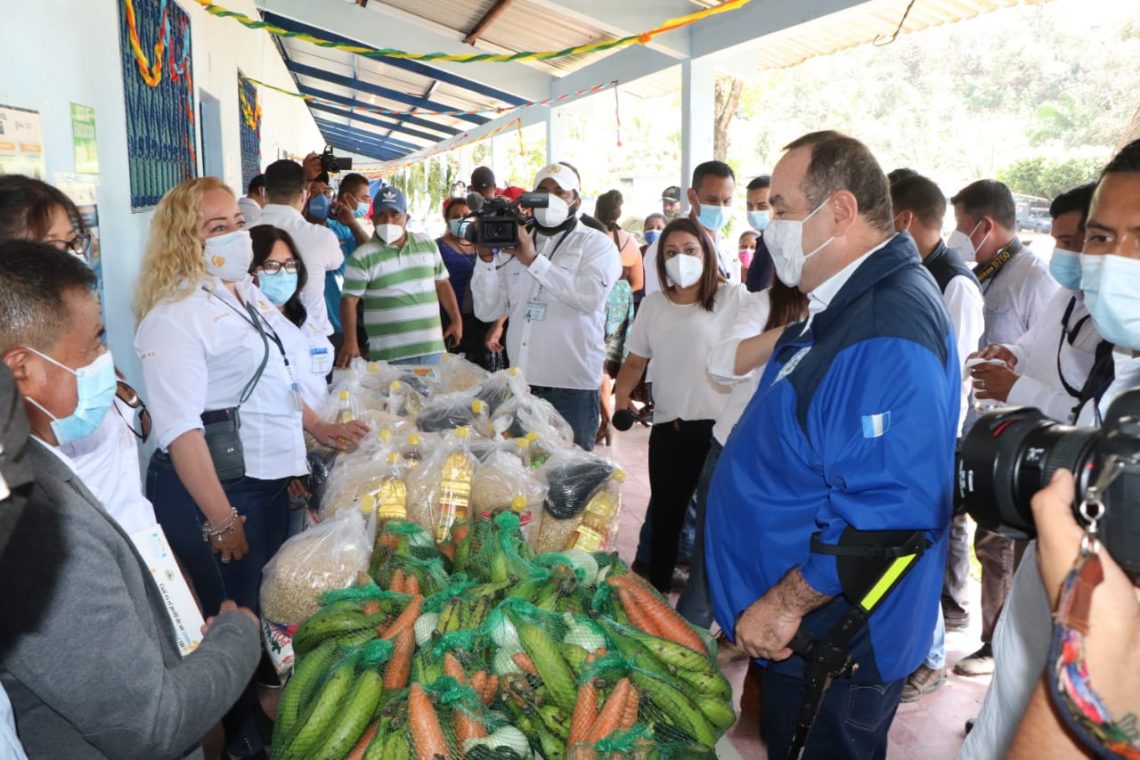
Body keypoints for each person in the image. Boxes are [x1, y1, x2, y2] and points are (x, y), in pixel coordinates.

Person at [705, 131, 959, 759]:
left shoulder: (883, 327)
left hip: (833, 639)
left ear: (840, 211)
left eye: (782, 209)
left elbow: (891, 510)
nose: (770, 227)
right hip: (807, 633)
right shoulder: (848, 303)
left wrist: (784, 604)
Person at [134, 177, 367, 759]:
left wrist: (317, 428)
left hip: (261, 485)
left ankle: (261, 716)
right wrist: (220, 518)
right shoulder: (175, 317)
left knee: (259, 610)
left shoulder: (240, 292)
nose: (236, 236)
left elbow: (277, 377)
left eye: (237, 223)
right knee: (229, 622)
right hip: (214, 493)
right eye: (217, 228)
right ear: (185, 240)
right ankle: (238, 740)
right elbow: (181, 430)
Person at [0, 241, 262, 759]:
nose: (106, 360)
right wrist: (238, 637)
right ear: (23, 370)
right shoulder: (40, 530)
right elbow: (149, 726)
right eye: (94, 344)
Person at [961, 139, 1140, 760]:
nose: (1115, 260)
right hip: (1026, 681)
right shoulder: (1120, 368)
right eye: (1101, 237)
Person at [0, 175, 156, 535]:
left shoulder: (77, 354)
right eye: (54, 246)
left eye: (74, 242)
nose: (73, 258)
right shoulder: (27, 392)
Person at [951, 178, 1061, 678]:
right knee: (977, 535)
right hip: (981, 424)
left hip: (1017, 433)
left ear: (985, 225)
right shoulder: (986, 272)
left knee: (1000, 543)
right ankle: (970, 620)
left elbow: (1051, 363)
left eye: (961, 226)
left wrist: (1013, 378)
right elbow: (1024, 345)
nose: (957, 235)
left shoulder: (1034, 278)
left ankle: (997, 646)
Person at [889, 173, 986, 701]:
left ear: (903, 219)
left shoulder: (955, 284)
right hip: (909, 436)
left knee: (925, 548)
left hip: (936, 442)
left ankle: (930, 661)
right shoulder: (915, 271)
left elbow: (953, 376)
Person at [613, 217, 747, 591]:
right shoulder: (654, 305)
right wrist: (621, 400)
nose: (681, 259)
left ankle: (710, 601)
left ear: (707, 253)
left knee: (715, 521)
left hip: (721, 431)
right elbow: (635, 362)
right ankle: (655, 596)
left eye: (690, 250)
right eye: (671, 252)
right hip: (670, 427)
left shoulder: (734, 298)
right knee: (666, 518)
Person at [676, 277, 807, 630]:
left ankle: (740, 642)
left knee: (777, 575)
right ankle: (682, 654)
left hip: (796, 468)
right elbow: (722, 364)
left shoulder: (854, 306)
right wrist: (799, 330)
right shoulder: (766, 303)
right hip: (735, 455)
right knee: (708, 574)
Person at [471, 162, 621, 450]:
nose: (550, 198)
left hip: (571, 389)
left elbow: (589, 298)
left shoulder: (596, 245)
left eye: (560, 192)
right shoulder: (515, 241)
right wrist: (485, 259)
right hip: (522, 387)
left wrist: (533, 261)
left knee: (570, 473)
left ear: (576, 200)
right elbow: (487, 310)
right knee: (523, 469)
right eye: (542, 191)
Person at [968, 183, 1102, 423]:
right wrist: (1010, 353)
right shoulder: (1066, 295)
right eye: (1058, 242)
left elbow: (1099, 418)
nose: (1060, 252)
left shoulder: (1119, 323)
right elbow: (1033, 346)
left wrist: (1018, 390)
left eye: (1069, 242)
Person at [336, 186, 461, 367]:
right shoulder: (362, 256)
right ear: (373, 219)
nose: (388, 221)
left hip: (431, 350)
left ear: (406, 217)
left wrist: (456, 319)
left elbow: (442, 283)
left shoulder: (427, 244)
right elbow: (349, 301)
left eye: (395, 214)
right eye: (381, 215)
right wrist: (350, 341)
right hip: (388, 358)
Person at [248, 225, 333, 410]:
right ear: (251, 271)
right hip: (285, 422)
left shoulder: (302, 312)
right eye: (271, 266)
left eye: (290, 264)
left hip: (323, 417)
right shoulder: (247, 322)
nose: (284, 273)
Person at [257, 159, 344, 337]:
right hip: (313, 337)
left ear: (263, 193)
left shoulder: (245, 234)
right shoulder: (322, 236)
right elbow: (336, 263)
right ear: (305, 196)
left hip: (261, 335)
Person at [594, 190, 644, 446]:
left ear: (596, 211)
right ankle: (607, 416)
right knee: (609, 362)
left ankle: (605, 419)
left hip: (598, 301)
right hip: (621, 304)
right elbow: (638, 282)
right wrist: (619, 293)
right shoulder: (629, 242)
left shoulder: (592, 238)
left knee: (598, 362)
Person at [644, 162, 739, 294]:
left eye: (727, 201)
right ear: (692, 197)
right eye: (712, 200)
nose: (720, 208)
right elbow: (657, 301)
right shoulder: (666, 248)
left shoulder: (723, 246)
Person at [437, 196, 504, 371]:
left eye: (466, 215)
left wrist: (498, 325)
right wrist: (455, 320)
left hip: (486, 320)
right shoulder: (438, 247)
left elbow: (505, 287)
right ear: (447, 220)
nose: (462, 220)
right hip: (452, 321)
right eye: (455, 216)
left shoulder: (489, 247)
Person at [323, 173, 372, 342]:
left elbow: (371, 253)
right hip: (330, 318)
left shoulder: (349, 228)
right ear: (347, 197)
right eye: (364, 198)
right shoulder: (328, 225)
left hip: (346, 318)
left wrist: (352, 223)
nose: (367, 203)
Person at [744, 175, 777, 292]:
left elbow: (764, 294)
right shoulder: (764, 242)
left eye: (762, 206)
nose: (753, 212)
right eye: (749, 206)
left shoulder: (774, 246)